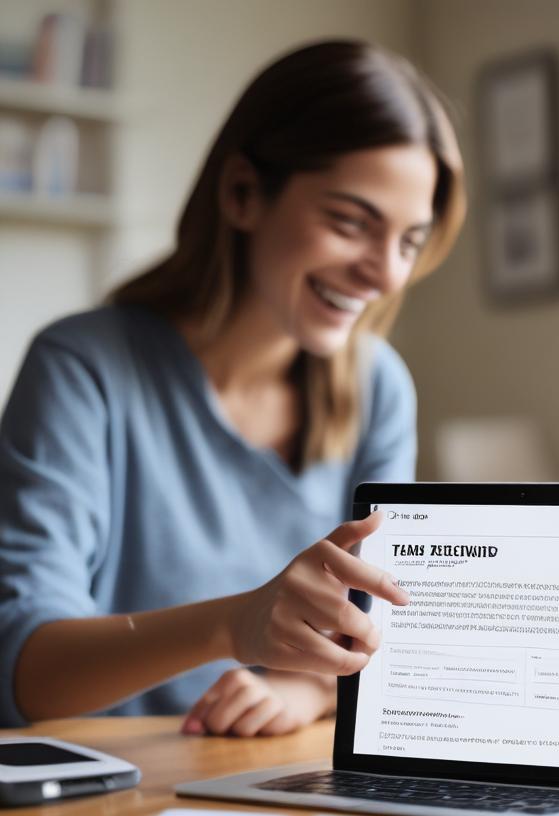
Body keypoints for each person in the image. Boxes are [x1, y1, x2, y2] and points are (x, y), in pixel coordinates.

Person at [0, 38, 464, 739]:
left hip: (276, 779)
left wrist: (302, 692)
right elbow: (26, 670)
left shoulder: (378, 389)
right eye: (350, 223)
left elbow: (377, 638)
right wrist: (232, 625)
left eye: (408, 241)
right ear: (243, 193)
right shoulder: (82, 367)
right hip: (105, 792)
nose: (385, 275)